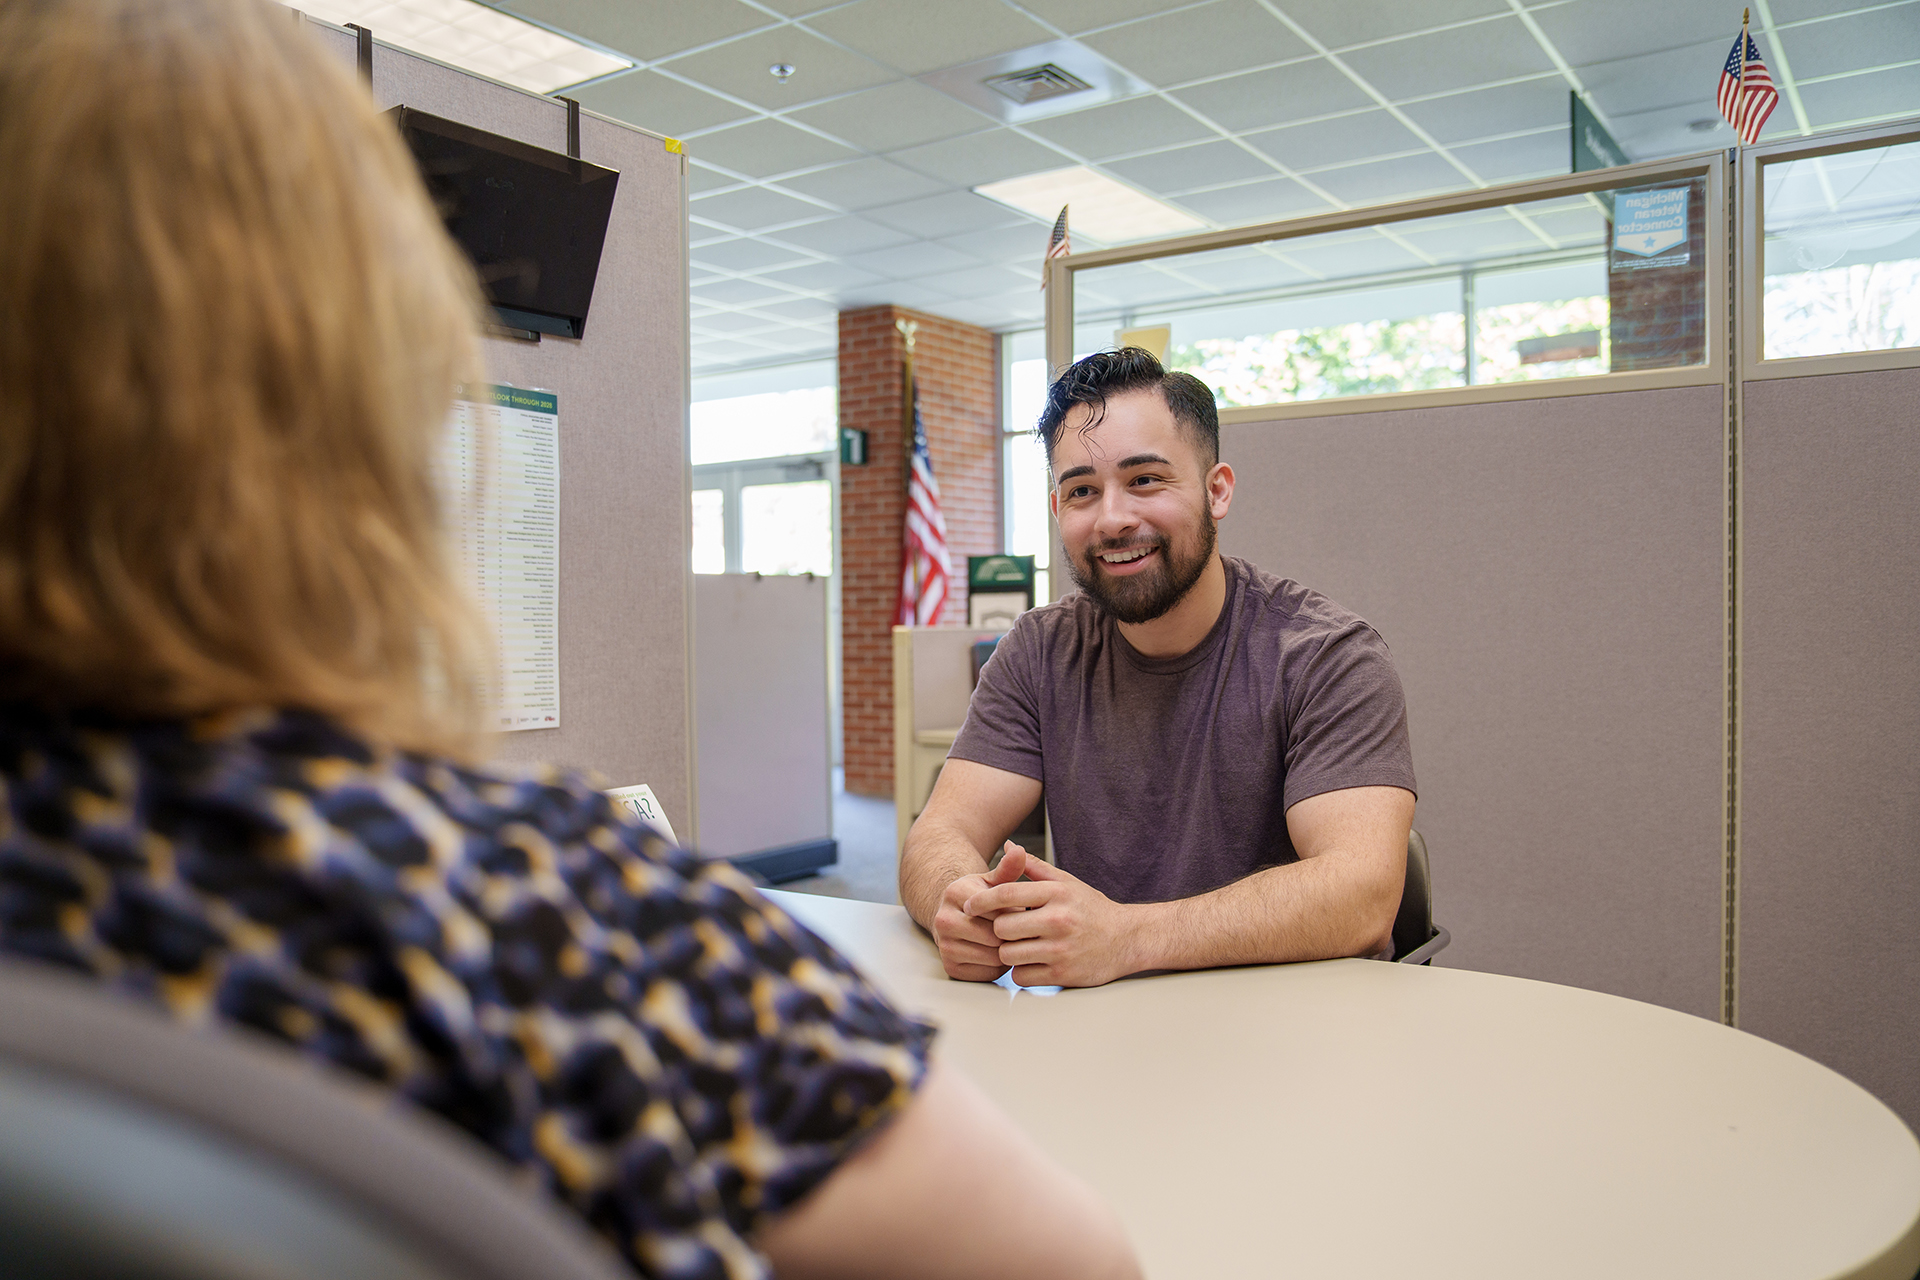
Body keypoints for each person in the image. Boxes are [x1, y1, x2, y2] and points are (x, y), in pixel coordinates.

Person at [0, 2, 1139, 1277]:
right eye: (1085, 485)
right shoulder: (540, 920)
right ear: (363, 399)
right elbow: (1068, 1262)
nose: (1110, 516)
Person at [899, 349, 1417, 988]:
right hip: (1110, 1030)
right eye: (1083, 490)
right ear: (1060, 512)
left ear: (1216, 490)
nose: (1113, 518)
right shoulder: (1039, 650)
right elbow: (939, 831)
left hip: (1295, 1031)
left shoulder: (1327, 657)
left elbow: (1360, 893)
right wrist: (959, 901)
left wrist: (1128, 937)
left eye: (1145, 479)